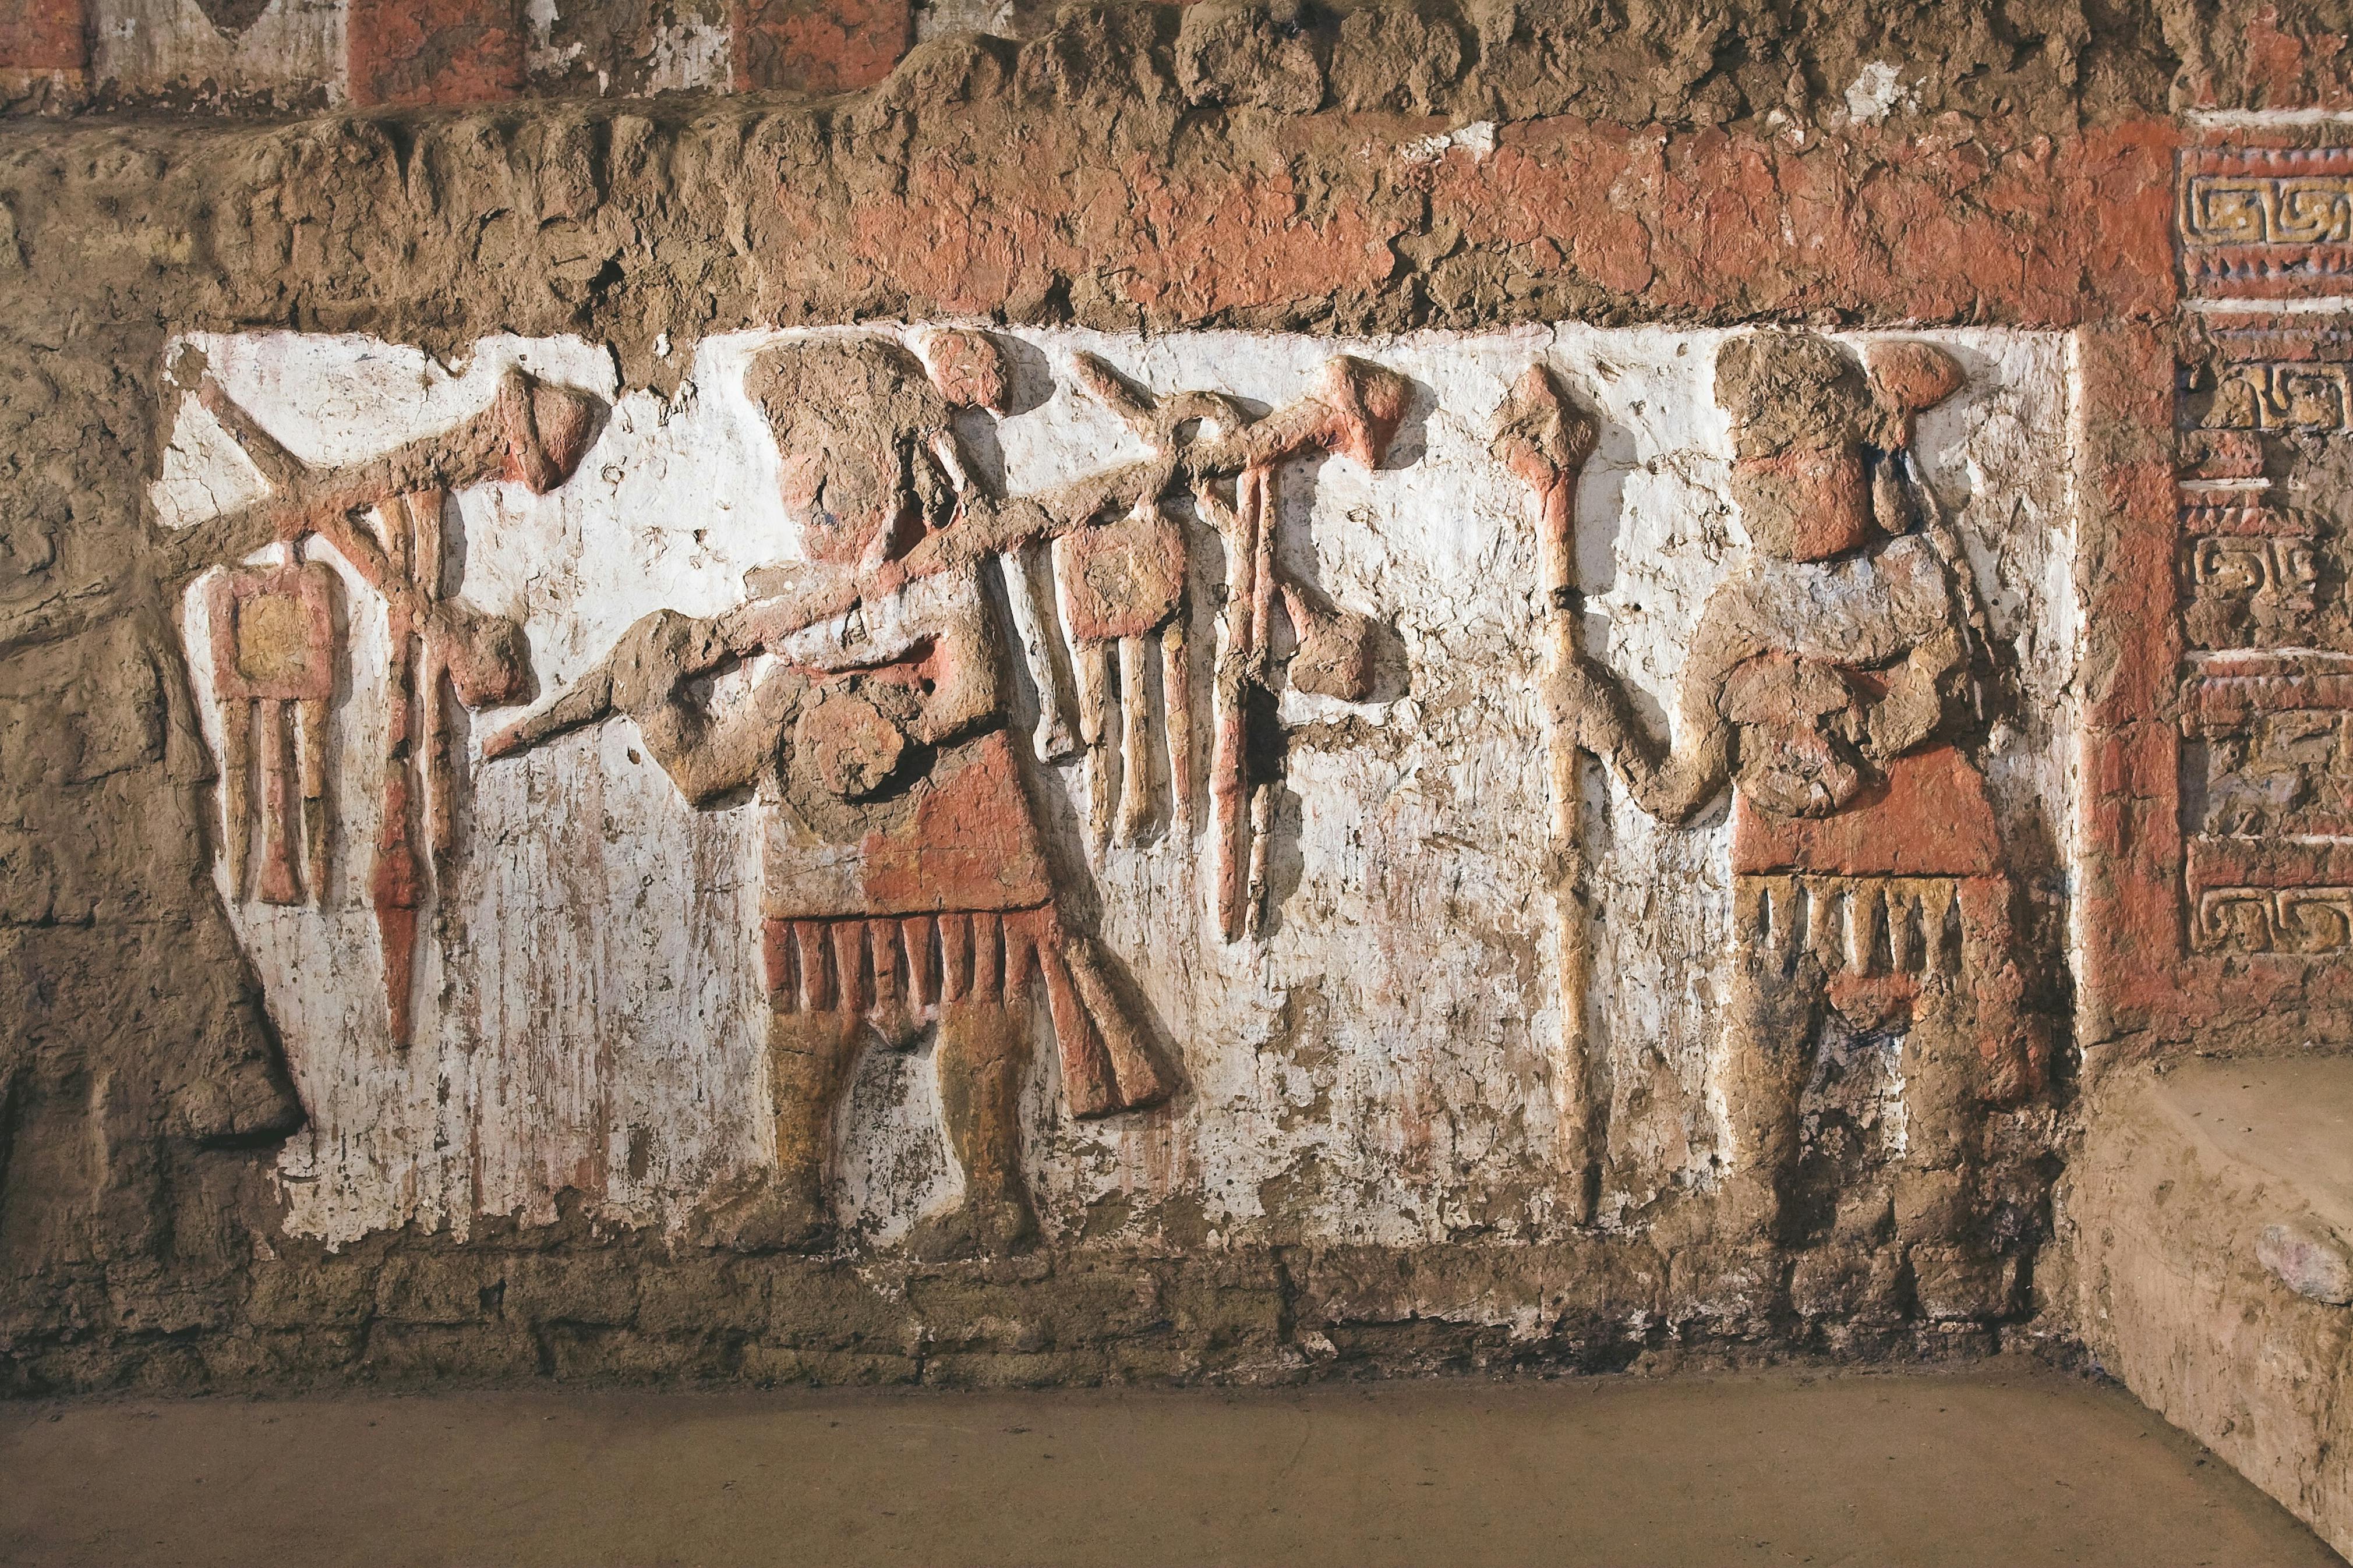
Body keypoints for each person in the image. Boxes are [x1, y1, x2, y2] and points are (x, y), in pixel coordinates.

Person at [1540, 332, 2047, 1245]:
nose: (1776, 477)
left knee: (1946, 1027)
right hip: (1789, 883)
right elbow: (1680, 786)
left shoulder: (1923, 584)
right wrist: (1605, 718)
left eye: (1806, 453)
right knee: (1770, 1022)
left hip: (1933, 862)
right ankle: (1759, 1193)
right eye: (1756, 458)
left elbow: (1960, 696)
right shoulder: (1733, 618)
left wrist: (1868, 719)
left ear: (1864, 462)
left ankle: (1938, 1193)